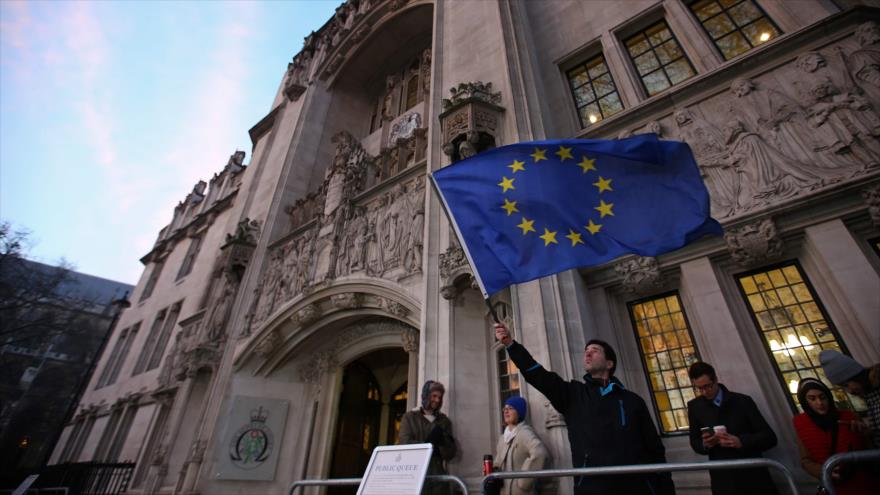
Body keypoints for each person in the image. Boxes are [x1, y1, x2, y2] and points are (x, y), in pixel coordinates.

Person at [494, 323, 674, 495]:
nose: (587, 354)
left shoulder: (633, 401)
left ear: (610, 363)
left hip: (636, 488)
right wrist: (510, 344)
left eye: (594, 351)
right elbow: (536, 374)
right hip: (591, 488)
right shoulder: (573, 394)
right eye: (586, 352)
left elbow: (655, 451)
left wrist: (664, 489)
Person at [686, 361, 778, 495]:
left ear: (716, 380)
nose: (704, 392)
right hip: (723, 479)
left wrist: (741, 441)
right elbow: (694, 441)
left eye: (707, 386)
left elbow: (770, 437)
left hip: (753, 477)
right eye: (699, 388)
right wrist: (705, 444)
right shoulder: (695, 407)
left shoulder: (742, 401)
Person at [793, 378, 874, 495]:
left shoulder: (848, 416)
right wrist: (824, 472)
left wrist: (865, 433)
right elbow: (806, 460)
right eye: (812, 399)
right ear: (805, 402)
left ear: (828, 397)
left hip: (864, 483)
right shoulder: (801, 423)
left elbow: (869, 448)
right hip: (834, 486)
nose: (819, 403)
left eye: (822, 397)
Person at [398, 380, 456, 494]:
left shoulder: (444, 421)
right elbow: (405, 444)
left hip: (438, 478)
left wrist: (443, 442)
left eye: (440, 397)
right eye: (434, 396)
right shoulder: (409, 418)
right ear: (425, 395)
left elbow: (450, 453)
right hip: (414, 476)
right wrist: (429, 445)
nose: (437, 400)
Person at [819, 350, 880, 448]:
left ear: (856, 376)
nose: (849, 391)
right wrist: (869, 431)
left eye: (846, 384)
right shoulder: (871, 398)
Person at [492, 396, 548, 495]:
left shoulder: (524, 433)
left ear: (519, 412)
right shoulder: (502, 438)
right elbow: (498, 461)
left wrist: (523, 481)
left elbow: (540, 453)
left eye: (510, 408)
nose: (506, 411)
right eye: (505, 408)